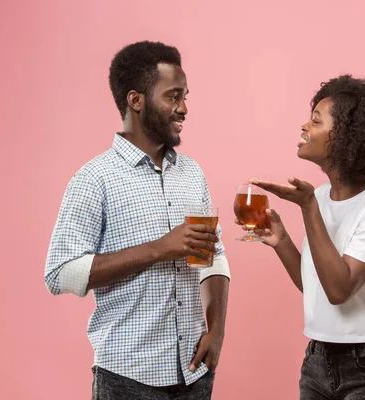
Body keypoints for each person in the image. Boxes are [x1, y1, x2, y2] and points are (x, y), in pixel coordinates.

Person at [45, 40, 230, 400]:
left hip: (194, 374)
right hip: (127, 380)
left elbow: (214, 255)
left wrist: (217, 330)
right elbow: (59, 273)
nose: (184, 108)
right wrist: (159, 249)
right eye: (173, 96)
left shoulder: (192, 174)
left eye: (185, 96)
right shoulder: (94, 178)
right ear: (136, 100)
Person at [247, 75, 365, 399]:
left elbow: (339, 289)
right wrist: (281, 241)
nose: (304, 127)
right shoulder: (321, 196)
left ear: (346, 136)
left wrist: (307, 207)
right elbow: (316, 285)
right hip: (318, 361)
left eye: (316, 120)